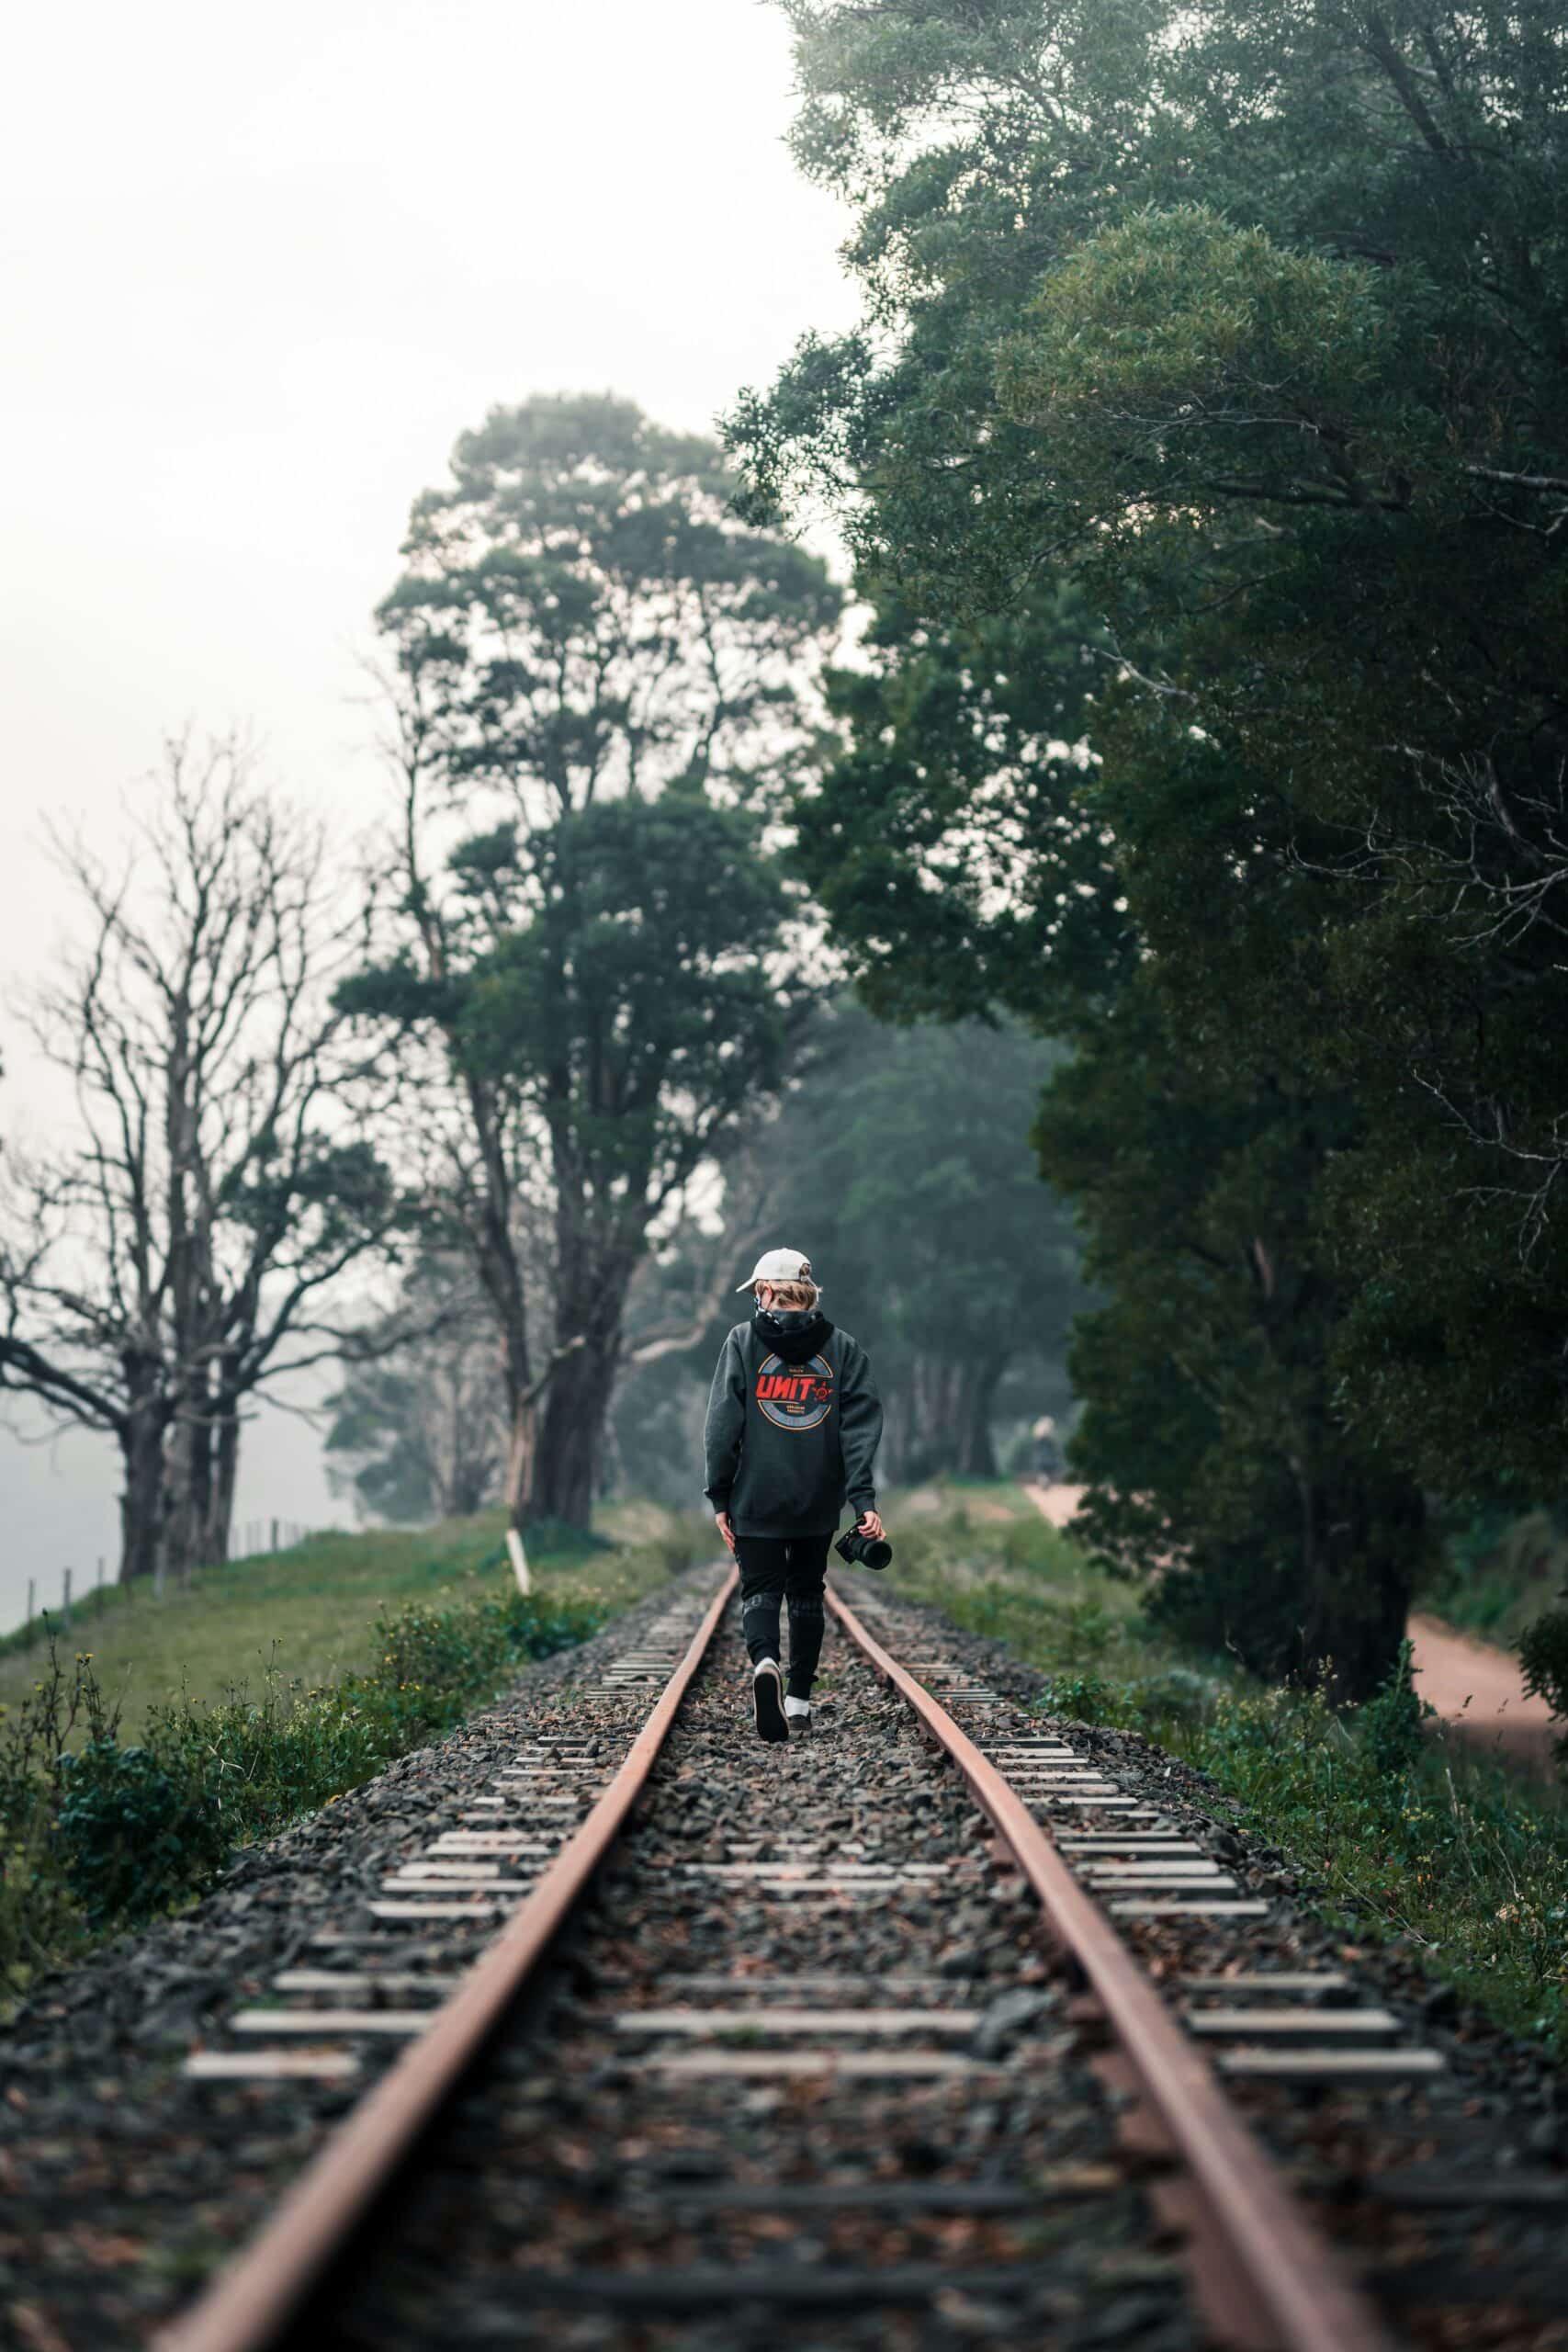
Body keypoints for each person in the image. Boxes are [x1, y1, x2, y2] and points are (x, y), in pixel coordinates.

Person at [703, 1248, 885, 1743]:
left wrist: (720, 1495)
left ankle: (765, 1662)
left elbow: (722, 1427)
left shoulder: (741, 1341)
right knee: (806, 1593)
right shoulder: (843, 1349)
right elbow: (860, 1431)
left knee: (760, 1590)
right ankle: (799, 1702)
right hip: (816, 1499)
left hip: (756, 1498)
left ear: (764, 1292)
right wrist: (863, 1502)